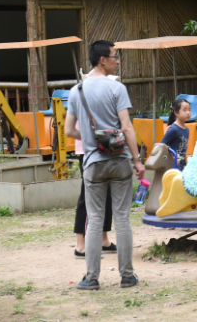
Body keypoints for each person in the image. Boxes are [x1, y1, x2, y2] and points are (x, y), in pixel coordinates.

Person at [64, 40, 145, 291]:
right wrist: (137, 160)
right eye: (115, 56)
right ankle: (127, 276)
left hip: (93, 164)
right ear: (102, 60)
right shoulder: (116, 89)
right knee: (122, 218)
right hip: (119, 162)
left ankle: (91, 277)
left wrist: (90, 138)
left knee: (95, 219)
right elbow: (127, 127)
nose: (117, 60)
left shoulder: (76, 91)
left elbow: (68, 131)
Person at [73, 134, 116, 259]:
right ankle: (80, 245)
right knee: (88, 193)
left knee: (107, 192)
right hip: (88, 149)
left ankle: (104, 239)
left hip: (105, 147)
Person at [161, 99, 192, 169]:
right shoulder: (173, 129)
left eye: (189, 110)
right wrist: (171, 158)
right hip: (173, 166)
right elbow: (162, 146)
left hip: (181, 165)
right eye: (184, 110)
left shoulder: (187, 130)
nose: (188, 113)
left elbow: (183, 150)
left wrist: (184, 163)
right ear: (176, 113)